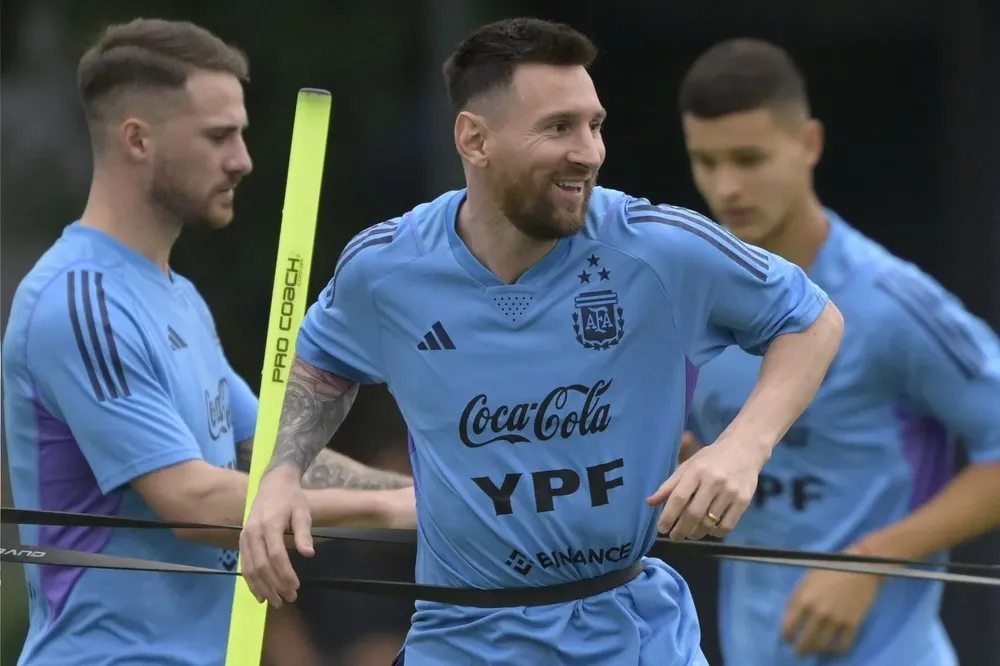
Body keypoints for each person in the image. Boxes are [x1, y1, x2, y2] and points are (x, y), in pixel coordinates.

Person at [239, 18, 844, 666]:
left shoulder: (658, 247)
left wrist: (743, 448)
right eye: (559, 127)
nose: (589, 152)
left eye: (594, 125)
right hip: (459, 638)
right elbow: (323, 366)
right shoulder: (385, 267)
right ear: (475, 139)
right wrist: (281, 475)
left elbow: (812, 319)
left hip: (630, 632)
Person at [1, 18, 415, 666]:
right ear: (137, 139)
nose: (243, 160)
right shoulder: (79, 303)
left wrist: (436, 498)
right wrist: (392, 513)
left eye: (241, 135)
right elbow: (194, 502)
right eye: (219, 136)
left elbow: (272, 456)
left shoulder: (179, 297)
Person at [676, 38, 1000, 666]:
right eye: (705, 162)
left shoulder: (891, 303)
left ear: (810, 143)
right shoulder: (692, 304)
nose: (727, 186)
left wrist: (870, 560)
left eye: (749, 158)